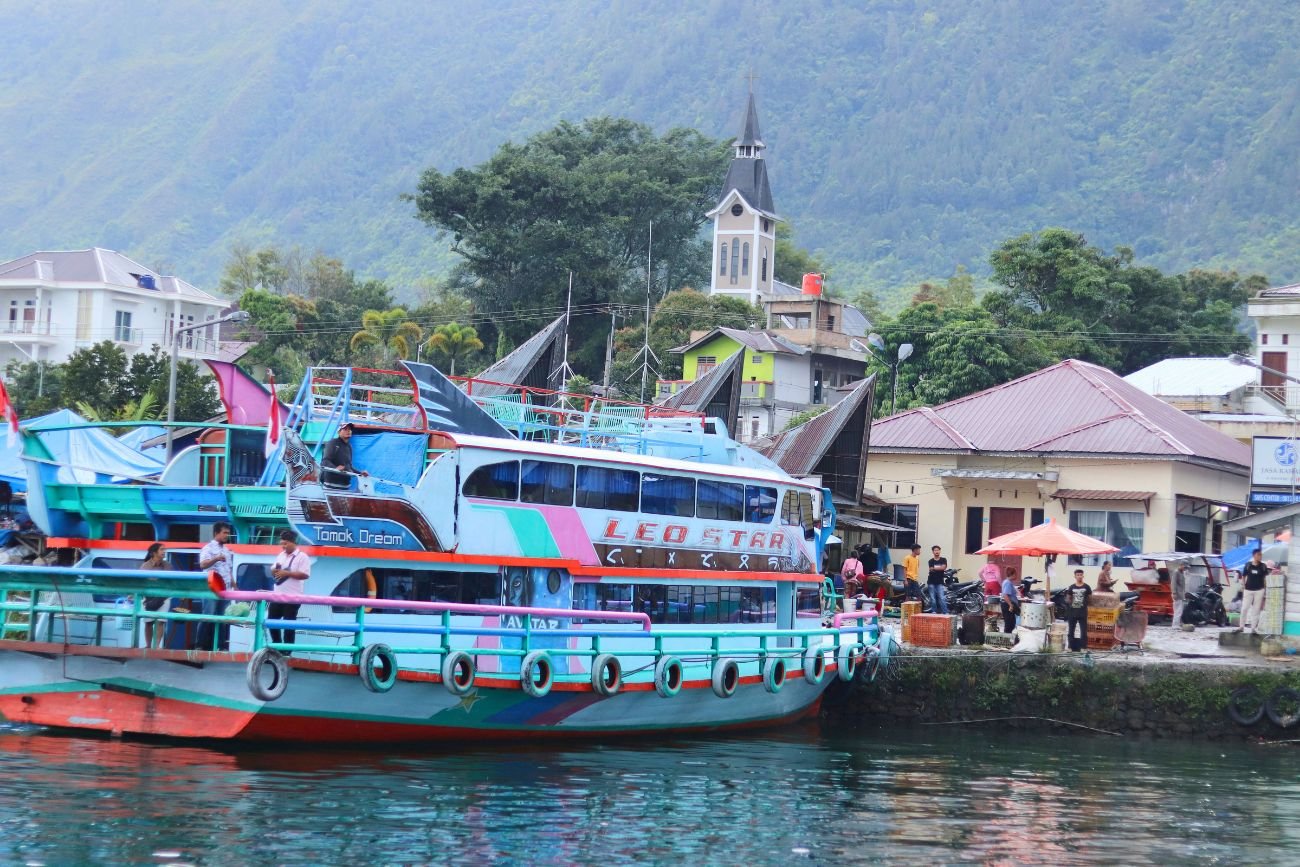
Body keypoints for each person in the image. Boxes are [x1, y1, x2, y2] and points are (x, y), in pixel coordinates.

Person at [269, 530, 311, 649]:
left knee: (289, 624)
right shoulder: (281, 555)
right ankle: (276, 647)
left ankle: (287, 650)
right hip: (277, 595)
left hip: (293, 597)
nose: (283, 546)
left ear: (293, 543)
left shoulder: (302, 557)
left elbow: (305, 575)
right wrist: (274, 571)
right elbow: (274, 569)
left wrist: (287, 573)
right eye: (282, 543)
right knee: (272, 622)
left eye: (286, 543)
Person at [195, 522, 234, 651]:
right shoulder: (208, 548)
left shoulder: (227, 550)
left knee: (224, 617)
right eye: (224, 533)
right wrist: (216, 558)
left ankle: (222, 646)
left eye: (228, 533)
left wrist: (235, 587)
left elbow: (229, 570)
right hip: (211, 589)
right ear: (216, 533)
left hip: (226, 589)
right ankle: (201, 645)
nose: (226, 535)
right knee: (208, 615)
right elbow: (202, 565)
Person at [139, 542, 170, 649]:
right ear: (153, 553)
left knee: (161, 621)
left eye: (164, 550)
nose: (164, 552)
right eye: (161, 550)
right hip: (148, 598)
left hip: (164, 597)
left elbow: (173, 582)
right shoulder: (145, 566)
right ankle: (148, 646)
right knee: (148, 622)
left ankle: (156, 647)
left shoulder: (168, 565)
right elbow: (141, 582)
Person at [322, 422, 368, 487]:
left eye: (349, 429)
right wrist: (335, 468)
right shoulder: (332, 443)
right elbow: (325, 461)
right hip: (331, 485)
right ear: (339, 432)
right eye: (345, 429)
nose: (348, 431)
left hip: (345, 486)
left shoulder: (349, 447)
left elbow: (349, 467)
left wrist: (360, 473)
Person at [1241, 549, 1269, 633]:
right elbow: (1243, 576)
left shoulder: (1263, 566)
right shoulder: (1248, 565)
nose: (1260, 556)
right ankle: (1241, 627)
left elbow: (1265, 578)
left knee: (1256, 609)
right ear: (1254, 555)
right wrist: (1243, 585)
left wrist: (1265, 589)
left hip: (1259, 590)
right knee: (1244, 608)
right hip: (1248, 589)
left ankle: (1253, 628)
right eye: (1258, 555)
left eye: (1261, 555)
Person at [1063, 569, 1092, 651]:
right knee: (1071, 630)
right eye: (1078, 575)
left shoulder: (1087, 587)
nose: (1079, 576)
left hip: (1083, 612)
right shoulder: (1071, 587)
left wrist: (1086, 605)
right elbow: (1068, 599)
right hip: (1072, 612)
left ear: (1083, 576)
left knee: (1083, 631)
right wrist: (1071, 602)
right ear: (1075, 576)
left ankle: (1083, 647)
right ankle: (1070, 647)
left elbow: (1090, 598)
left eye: (1081, 575)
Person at [926, 545, 949, 614]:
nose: (937, 551)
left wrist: (935, 568)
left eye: (938, 550)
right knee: (933, 598)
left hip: (940, 582)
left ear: (940, 551)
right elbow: (931, 569)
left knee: (942, 597)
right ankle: (934, 611)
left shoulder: (943, 559)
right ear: (933, 552)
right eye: (935, 550)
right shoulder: (930, 561)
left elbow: (943, 568)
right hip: (931, 582)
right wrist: (940, 567)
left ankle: (945, 612)